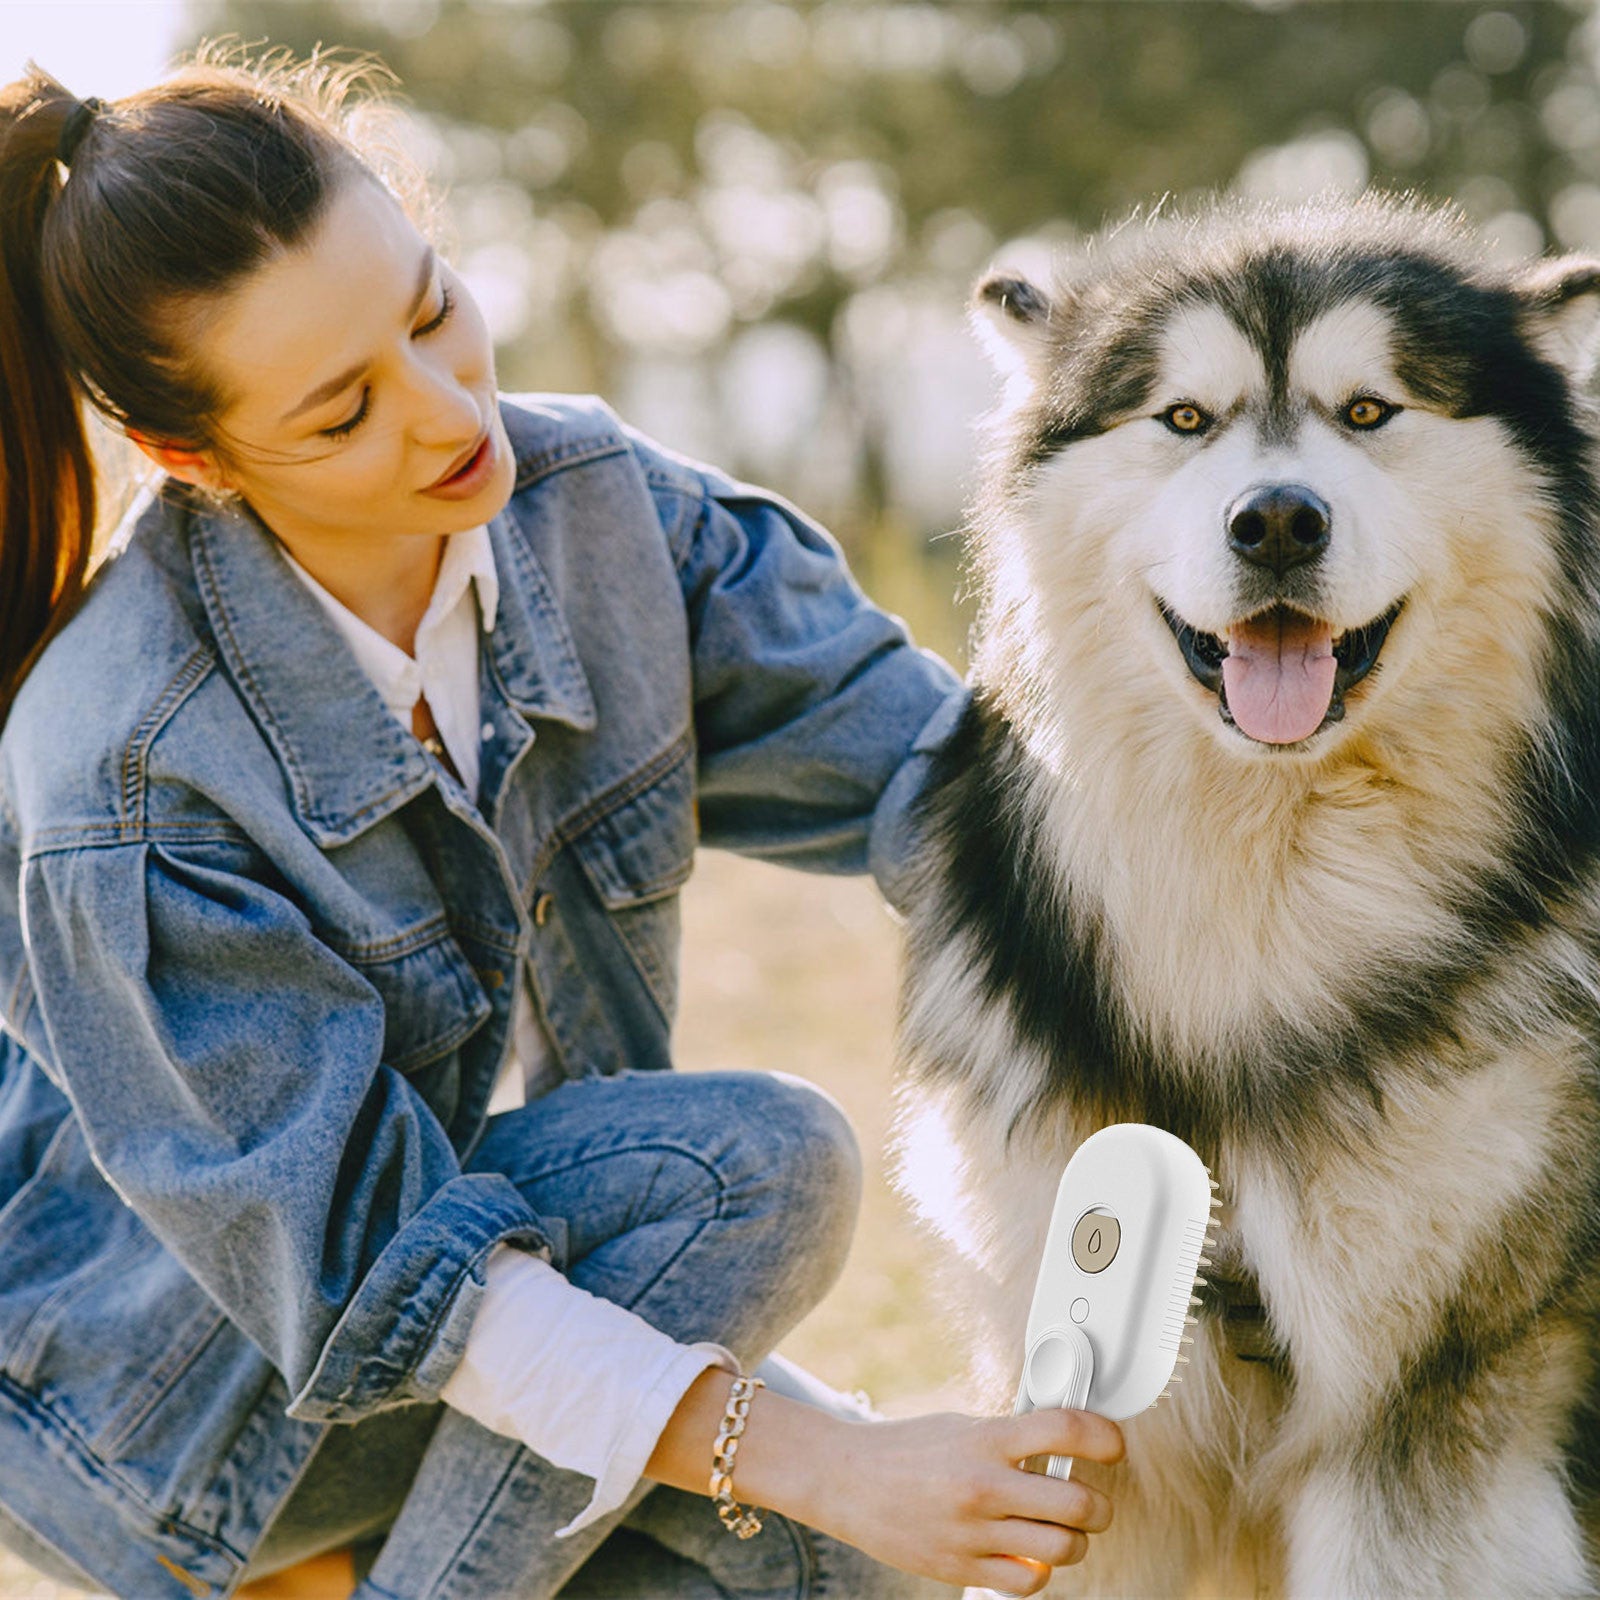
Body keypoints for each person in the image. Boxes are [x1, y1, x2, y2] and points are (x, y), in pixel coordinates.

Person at [0, 47, 1125, 1600]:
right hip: (151, 1411)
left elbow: (956, 792)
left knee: (841, 1578)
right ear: (198, 460)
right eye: (343, 414)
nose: (447, 406)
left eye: (429, 306)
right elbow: (371, 1279)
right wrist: (841, 1461)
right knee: (747, 1170)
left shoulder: (599, 513)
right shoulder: (126, 770)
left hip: (500, 1305)